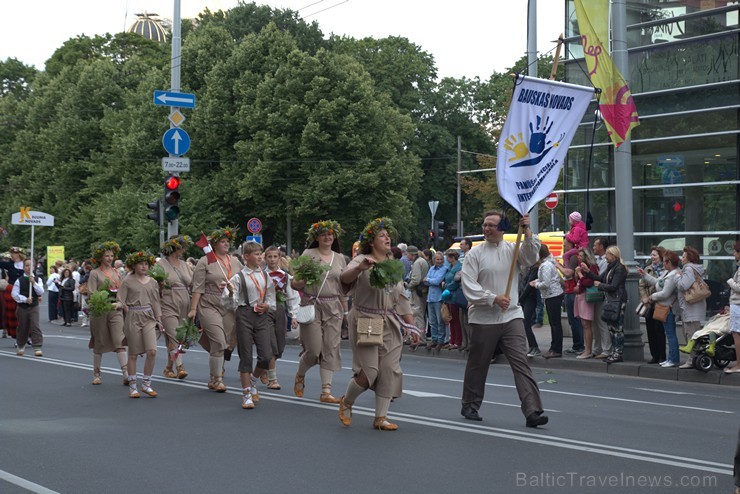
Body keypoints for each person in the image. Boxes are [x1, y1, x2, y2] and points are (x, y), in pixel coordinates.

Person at [459, 210, 547, 427]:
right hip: (483, 318)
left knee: (521, 363)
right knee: (478, 365)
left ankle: (532, 411)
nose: (486, 229)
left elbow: (530, 257)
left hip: (511, 316)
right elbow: (469, 286)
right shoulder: (474, 254)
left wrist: (528, 231)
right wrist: (492, 298)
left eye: (491, 225)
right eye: (484, 224)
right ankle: (470, 404)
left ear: (502, 228)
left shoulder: (512, 249)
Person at [337, 217, 420, 430]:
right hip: (367, 319)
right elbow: (345, 279)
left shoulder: (392, 263)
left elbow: (401, 298)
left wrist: (411, 326)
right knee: (370, 372)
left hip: (390, 321)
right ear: (371, 242)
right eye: (381, 236)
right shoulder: (362, 259)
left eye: (387, 235)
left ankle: (380, 418)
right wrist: (360, 268)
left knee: (389, 369)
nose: (387, 237)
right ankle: (346, 402)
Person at [291, 220, 348, 403]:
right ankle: (300, 373)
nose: (327, 237)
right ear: (317, 237)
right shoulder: (309, 254)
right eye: (323, 234)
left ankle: (326, 392)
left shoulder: (339, 258)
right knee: (314, 351)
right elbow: (295, 283)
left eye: (330, 234)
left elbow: (342, 288)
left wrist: (345, 312)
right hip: (312, 304)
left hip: (333, 308)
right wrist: (305, 280)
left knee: (330, 349)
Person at [222, 241, 276, 409]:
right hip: (244, 314)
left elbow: (270, 298)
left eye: (261, 253)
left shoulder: (266, 276)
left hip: (261, 316)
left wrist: (267, 305)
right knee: (246, 355)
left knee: (266, 356)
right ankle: (246, 394)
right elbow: (227, 302)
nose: (260, 256)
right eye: (256, 254)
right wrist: (231, 293)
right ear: (246, 257)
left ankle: (253, 380)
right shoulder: (238, 277)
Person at [189, 227, 243, 392]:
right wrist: (193, 309)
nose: (226, 244)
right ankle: (216, 379)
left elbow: (243, 281)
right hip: (209, 304)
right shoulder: (205, 261)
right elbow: (197, 287)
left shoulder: (235, 261)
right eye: (222, 241)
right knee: (219, 341)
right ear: (215, 244)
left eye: (228, 242)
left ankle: (216, 367)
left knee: (224, 342)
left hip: (228, 305)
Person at [118, 251, 162, 398]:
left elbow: (156, 302)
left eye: (146, 264)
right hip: (133, 316)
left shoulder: (152, 281)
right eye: (141, 264)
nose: (144, 267)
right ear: (134, 265)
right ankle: (132, 386)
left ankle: (146, 384)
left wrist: (159, 320)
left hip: (149, 316)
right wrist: (117, 306)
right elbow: (121, 300)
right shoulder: (127, 281)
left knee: (152, 351)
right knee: (133, 354)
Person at [88, 242, 129, 385]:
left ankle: (126, 374)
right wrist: (102, 303)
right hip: (100, 311)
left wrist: (121, 303)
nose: (110, 258)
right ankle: (97, 374)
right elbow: (91, 294)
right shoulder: (95, 273)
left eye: (112, 255)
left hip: (115, 310)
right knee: (99, 341)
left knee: (119, 340)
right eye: (107, 255)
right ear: (100, 257)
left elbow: (123, 291)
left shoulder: (118, 273)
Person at [157, 235, 194, 380]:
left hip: (184, 302)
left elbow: (192, 282)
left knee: (178, 337)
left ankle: (168, 368)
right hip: (167, 302)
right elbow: (154, 284)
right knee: (174, 335)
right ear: (173, 247)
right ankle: (180, 367)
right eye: (181, 247)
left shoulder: (184, 264)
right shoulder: (161, 264)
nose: (184, 250)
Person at [263, 245, 299, 390]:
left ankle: (264, 368)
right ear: (265, 258)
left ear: (279, 258)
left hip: (280, 310)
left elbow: (292, 296)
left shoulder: (285, 276)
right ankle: (273, 379)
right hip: (265, 312)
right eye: (269, 257)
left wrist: (294, 315)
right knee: (271, 345)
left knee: (279, 345)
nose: (272, 259)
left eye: (275, 256)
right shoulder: (261, 275)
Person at [583, 245, 628, 363]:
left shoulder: (620, 268)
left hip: (618, 301)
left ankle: (618, 353)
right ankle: (614, 352)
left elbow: (614, 286)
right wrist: (587, 271)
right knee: (611, 328)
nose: (605, 257)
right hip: (611, 300)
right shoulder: (610, 267)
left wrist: (600, 286)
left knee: (617, 328)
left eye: (607, 254)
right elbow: (599, 278)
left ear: (613, 256)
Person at [639, 250, 680, 368]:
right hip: (664, 306)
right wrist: (645, 275)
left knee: (670, 334)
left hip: (668, 307)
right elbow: (657, 281)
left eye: (665, 261)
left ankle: (673, 359)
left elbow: (665, 293)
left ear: (669, 262)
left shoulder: (673, 275)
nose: (663, 264)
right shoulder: (668, 273)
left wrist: (652, 296)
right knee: (669, 333)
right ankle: (671, 358)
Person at [675, 246, 707, 369]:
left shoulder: (688, 269)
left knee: (691, 334)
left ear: (689, 259)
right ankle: (694, 358)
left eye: (683, 256)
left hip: (690, 306)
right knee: (694, 333)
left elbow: (683, 285)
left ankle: (691, 360)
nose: (681, 259)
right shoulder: (696, 269)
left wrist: (677, 277)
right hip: (695, 305)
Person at [532, 244, 565, 359]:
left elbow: (545, 284)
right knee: (554, 323)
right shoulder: (547, 264)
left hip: (552, 295)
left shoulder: (545, 265)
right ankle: (555, 347)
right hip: (552, 295)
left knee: (555, 323)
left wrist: (535, 284)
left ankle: (556, 349)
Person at [11, 258, 44, 356]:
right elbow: (14, 294)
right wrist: (25, 299)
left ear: (34, 267)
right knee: (23, 327)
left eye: (31, 265)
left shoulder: (38, 279)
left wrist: (33, 282)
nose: (29, 267)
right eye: (27, 265)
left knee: (35, 325)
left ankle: (37, 346)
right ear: (23, 267)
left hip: (34, 307)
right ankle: (21, 346)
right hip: (22, 307)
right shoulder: (19, 280)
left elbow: (40, 292)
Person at [638, 246, 666, 364]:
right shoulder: (648, 269)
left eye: (654, 255)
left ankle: (662, 356)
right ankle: (654, 355)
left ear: (661, 256)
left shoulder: (666, 270)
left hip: (660, 303)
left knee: (659, 329)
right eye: (651, 255)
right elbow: (642, 285)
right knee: (650, 330)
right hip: (649, 304)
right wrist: (644, 297)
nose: (652, 257)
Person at [557, 238, 585, 354]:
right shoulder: (572, 257)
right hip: (570, 290)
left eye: (565, 245)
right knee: (573, 320)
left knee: (574, 320)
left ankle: (578, 345)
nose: (564, 248)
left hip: (572, 291)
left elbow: (568, 273)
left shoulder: (572, 257)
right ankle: (577, 344)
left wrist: (557, 266)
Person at [574, 248, 600, 359]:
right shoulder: (582, 268)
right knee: (584, 324)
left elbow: (588, 283)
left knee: (586, 324)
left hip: (587, 297)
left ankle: (588, 350)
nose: (578, 258)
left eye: (580, 256)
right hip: (580, 296)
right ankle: (587, 348)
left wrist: (580, 274)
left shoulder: (591, 267)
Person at [0, 246, 26, 339]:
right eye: (12, 253)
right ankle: (15, 334)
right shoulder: (9, 264)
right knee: (12, 313)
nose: (12, 255)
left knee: (24, 312)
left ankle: (27, 334)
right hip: (11, 290)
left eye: (14, 253)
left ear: (19, 254)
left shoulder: (25, 264)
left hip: (24, 290)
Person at [406, 245, 429, 346]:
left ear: (411, 254)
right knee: (419, 314)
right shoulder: (422, 261)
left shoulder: (417, 263)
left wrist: (408, 286)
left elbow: (416, 279)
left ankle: (420, 338)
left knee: (417, 314)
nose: (407, 256)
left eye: (407, 254)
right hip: (422, 292)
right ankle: (419, 337)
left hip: (417, 292)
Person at [424, 251, 448, 350]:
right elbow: (426, 282)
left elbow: (437, 281)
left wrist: (429, 280)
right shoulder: (431, 268)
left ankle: (440, 341)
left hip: (439, 298)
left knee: (440, 321)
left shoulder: (444, 269)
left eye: (441, 259)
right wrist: (431, 281)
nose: (439, 261)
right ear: (434, 260)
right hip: (430, 298)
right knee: (432, 321)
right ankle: (434, 339)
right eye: (437, 259)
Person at [723, 241, 740, 374]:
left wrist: (730, 281)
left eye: (735, 251)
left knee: (737, 334)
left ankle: (738, 365)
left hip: (738, 305)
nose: (734, 254)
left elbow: (738, 288)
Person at [519, 259, 541, 357]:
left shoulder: (535, 269)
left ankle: (534, 346)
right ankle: (531, 346)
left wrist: (521, 298)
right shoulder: (530, 268)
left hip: (530, 298)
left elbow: (529, 286)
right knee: (525, 323)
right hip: (527, 298)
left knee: (526, 323)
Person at [443, 250, 462, 349]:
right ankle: (452, 340)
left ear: (452, 257)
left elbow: (455, 283)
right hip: (449, 296)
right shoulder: (450, 267)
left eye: (447, 257)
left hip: (454, 296)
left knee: (456, 319)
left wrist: (446, 286)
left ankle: (458, 341)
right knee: (451, 319)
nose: (446, 259)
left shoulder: (458, 267)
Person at [457, 238, 473, 351]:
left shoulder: (470, 256)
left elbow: (466, 274)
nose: (460, 246)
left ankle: (470, 343)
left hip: (467, 290)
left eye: (462, 244)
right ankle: (465, 342)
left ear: (468, 245)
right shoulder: (462, 257)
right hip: (461, 288)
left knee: (467, 320)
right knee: (461, 319)